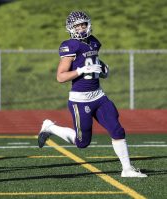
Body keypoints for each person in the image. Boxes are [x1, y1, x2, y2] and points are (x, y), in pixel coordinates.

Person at [38, 11, 147, 178]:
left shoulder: (94, 42)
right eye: (77, 25)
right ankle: (50, 127)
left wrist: (102, 68)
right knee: (82, 143)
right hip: (80, 100)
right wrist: (81, 70)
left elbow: (93, 60)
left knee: (117, 130)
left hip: (99, 96)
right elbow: (60, 76)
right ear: (71, 28)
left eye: (83, 24)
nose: (81, 28)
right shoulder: (70, 46)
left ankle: (127, 169)